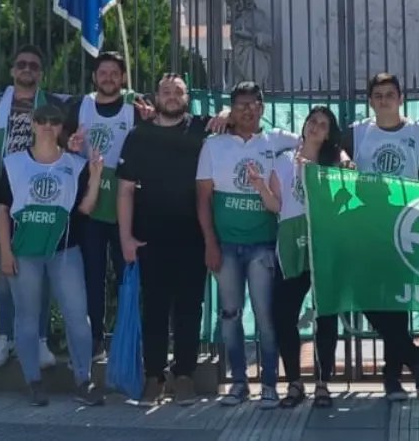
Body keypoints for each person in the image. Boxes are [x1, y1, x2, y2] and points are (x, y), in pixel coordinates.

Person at [117, 74, 226, 406]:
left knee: (190, 309)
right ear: (156, 96)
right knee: (154, 308)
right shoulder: (139, 135)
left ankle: (184, 376)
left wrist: (224, 113)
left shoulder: (201, 129)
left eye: (178, 92)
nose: (172, 96)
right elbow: (125, 190)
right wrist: (126, 238)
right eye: (166, 91)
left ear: (187, 97)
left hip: (193, 237)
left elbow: (240, 115)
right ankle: (154, 377)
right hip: (149, 238)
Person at [196, 81, 298, 409]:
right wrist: (210, 242)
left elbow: (313, 140)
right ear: (232, 109)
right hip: (226, 246)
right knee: (229, 315)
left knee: (266, 317)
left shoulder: (276, 140)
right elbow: (203, 198)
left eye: (254, 104)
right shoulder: (213, 145)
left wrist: (341, 156)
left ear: (263, 107)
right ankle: (238, 383)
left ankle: (269, 384)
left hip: (263, 246)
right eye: (240, 104)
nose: (248, 110)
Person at [0, 103, 105, 407]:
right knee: (27, 319)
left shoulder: (75, 164)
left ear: (61, 127)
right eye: (41, 120)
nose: (47, 125)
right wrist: (5, 252)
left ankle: (83, 379)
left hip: (64, 251)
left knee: (78, 318)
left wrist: (96, 176)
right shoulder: (13, 163)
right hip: (24, 252)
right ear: (32, 124)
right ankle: (33, 381)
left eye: (54, 121)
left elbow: (86, 208)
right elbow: (2, 211)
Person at [342, 72, 419, 401]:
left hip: (406, 227)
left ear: (401, 98)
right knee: (363, 295)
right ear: (370, 101)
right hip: (366, 228)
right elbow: (332, 155)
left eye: (390, 94)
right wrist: (343, 159)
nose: (384, 100)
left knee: (396, 304)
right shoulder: (357, 133)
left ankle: (392, 378)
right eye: (378, 95)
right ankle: (413, 354)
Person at [252, 105, 344, 409]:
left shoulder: (333, 164)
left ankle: (323, 382)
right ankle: (294, 381)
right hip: (292, 243)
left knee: (325, 314)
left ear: (329, 134)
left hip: (323, 242)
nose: (316, 127)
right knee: (284, 315)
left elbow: (339, 203)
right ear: (304, 125)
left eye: (323, 124)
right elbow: (277, 205)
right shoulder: (283, 160)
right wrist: (260, 187)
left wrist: (318, 175)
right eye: (312, 121)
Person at [0, 45, 60, 370]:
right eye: (22, 64)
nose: (27, 69)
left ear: (41, 74)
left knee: (40, 272)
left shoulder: (51, 104)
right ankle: (5, 337)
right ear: (13, 70)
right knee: (5, 271)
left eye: (34, 65)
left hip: (40, 196)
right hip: (4, 196)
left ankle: (40, 340)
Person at [64, 51, 142, 361]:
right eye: (103, 73)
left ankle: (127, 341)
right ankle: (94, 339)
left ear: (122, 78)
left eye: (114, 73)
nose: (108, 78)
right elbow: (61, 142)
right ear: (94, 77)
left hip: (126, 210)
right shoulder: (80, 107)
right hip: (90, 208)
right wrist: (69, 145)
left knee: (127, 279)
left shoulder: (135, 108)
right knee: (91, 278)